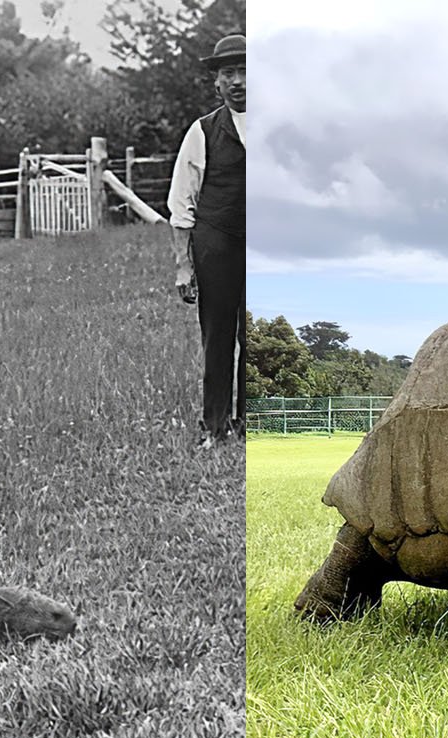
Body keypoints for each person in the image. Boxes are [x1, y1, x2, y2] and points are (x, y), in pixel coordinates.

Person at [168, 33, 246, 447]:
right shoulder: (202, 132)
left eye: (246, 71)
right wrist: (184, 264)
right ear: (216, 82)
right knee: (218, 335)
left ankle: (249, 423)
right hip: (217, 242)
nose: (239, 81)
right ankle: (214, 426)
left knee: (256, 337)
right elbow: (182, 202)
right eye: (229, 73)